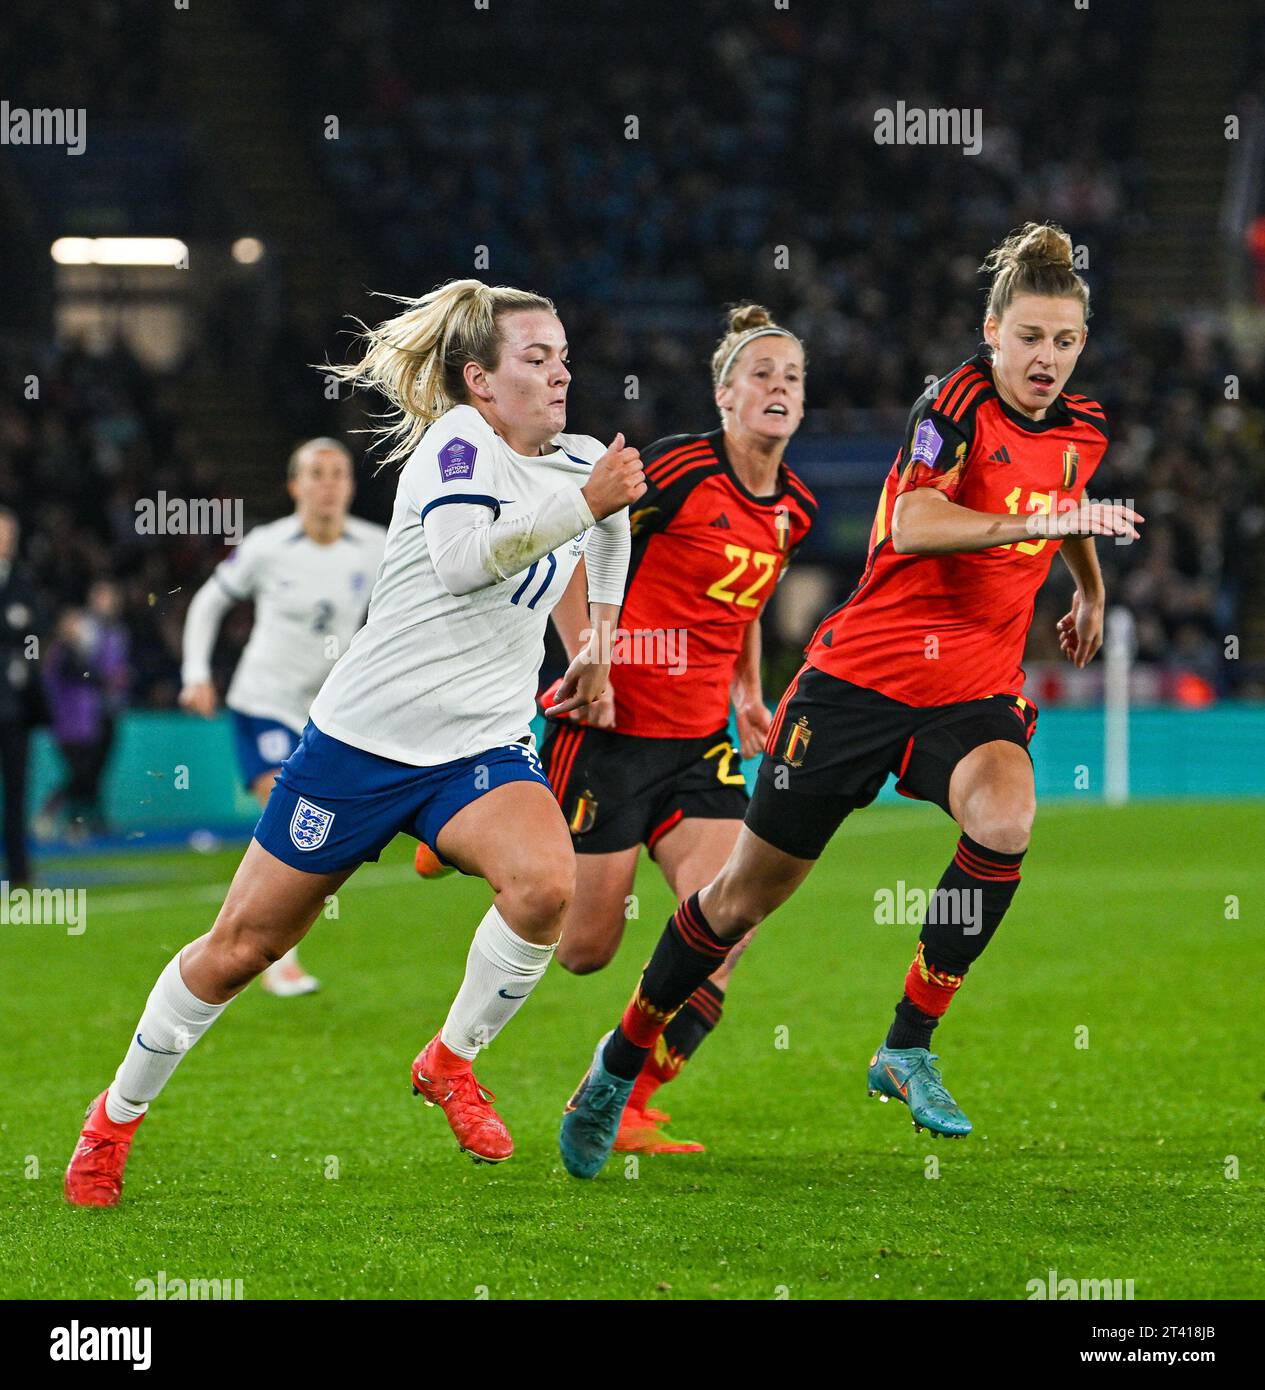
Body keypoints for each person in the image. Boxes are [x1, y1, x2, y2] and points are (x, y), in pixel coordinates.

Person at [559, 222, 1145, 1179]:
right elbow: (914, 521)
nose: (1046, 358)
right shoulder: (948, 406)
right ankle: (617, 1063)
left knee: (1006, 814)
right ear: (990, 331)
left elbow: (1069, 490)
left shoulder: (1082, 427)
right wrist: (1042, 523)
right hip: (857, 684)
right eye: (1029, 338)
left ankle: (907, 1043)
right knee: (743, 898)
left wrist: (1088, 583)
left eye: (1064, 342)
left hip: (971, 693)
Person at [63, 279, 644, 1207]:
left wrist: (599, 647)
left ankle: (450, 1061)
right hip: (361, 746)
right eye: (535, 359)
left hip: (483, 748)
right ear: (479, 380)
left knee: (545, 888)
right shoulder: (458, 443)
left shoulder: (577, 459)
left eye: (563, 356)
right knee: (242, 948)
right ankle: (111, 1123)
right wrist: (587, 502)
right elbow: (463, 564)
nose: (560, 374)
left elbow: (609, 527)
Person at [536, 304, 815, 1154]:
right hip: (611, 733)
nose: (777, 388)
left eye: (791, 378)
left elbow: (745, 602)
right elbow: (571, 552)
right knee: (585, 948)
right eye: (760, 375)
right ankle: (467, 830)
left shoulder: (792, 509)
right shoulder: (680, 471)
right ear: (725, 395)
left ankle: (624, 1098)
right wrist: (589, 654)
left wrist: (749, 695)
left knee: (729, 921)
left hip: (700, 745)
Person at [179, 438, 387, 995]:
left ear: (350, 484)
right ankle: (277, 957)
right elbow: (208, 601)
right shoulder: (268, 546)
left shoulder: (378, 546)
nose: (328, 483)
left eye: (339, 473)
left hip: (330, 714)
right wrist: (195, 673)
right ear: (295, 486)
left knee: (320, 831)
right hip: (263, 702)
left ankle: (260, 932)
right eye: (315, 473)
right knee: (287, 813)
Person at [37, 589, 129, 841]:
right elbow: (82, 674)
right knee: (81, 775)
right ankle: (55, 809)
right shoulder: (62, 653)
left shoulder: (76, 652)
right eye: (75, 623)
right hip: (68, 724)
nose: (80, 628)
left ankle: (74, 822)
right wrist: (107, 680)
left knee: (85, 776)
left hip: (84, 723)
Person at [0, 508, 47, 884]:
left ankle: (19, 870)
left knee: (16, 792)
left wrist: (25, 669)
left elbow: (35, 637)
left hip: (15, 709)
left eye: (9, 534)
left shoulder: (23, 583)